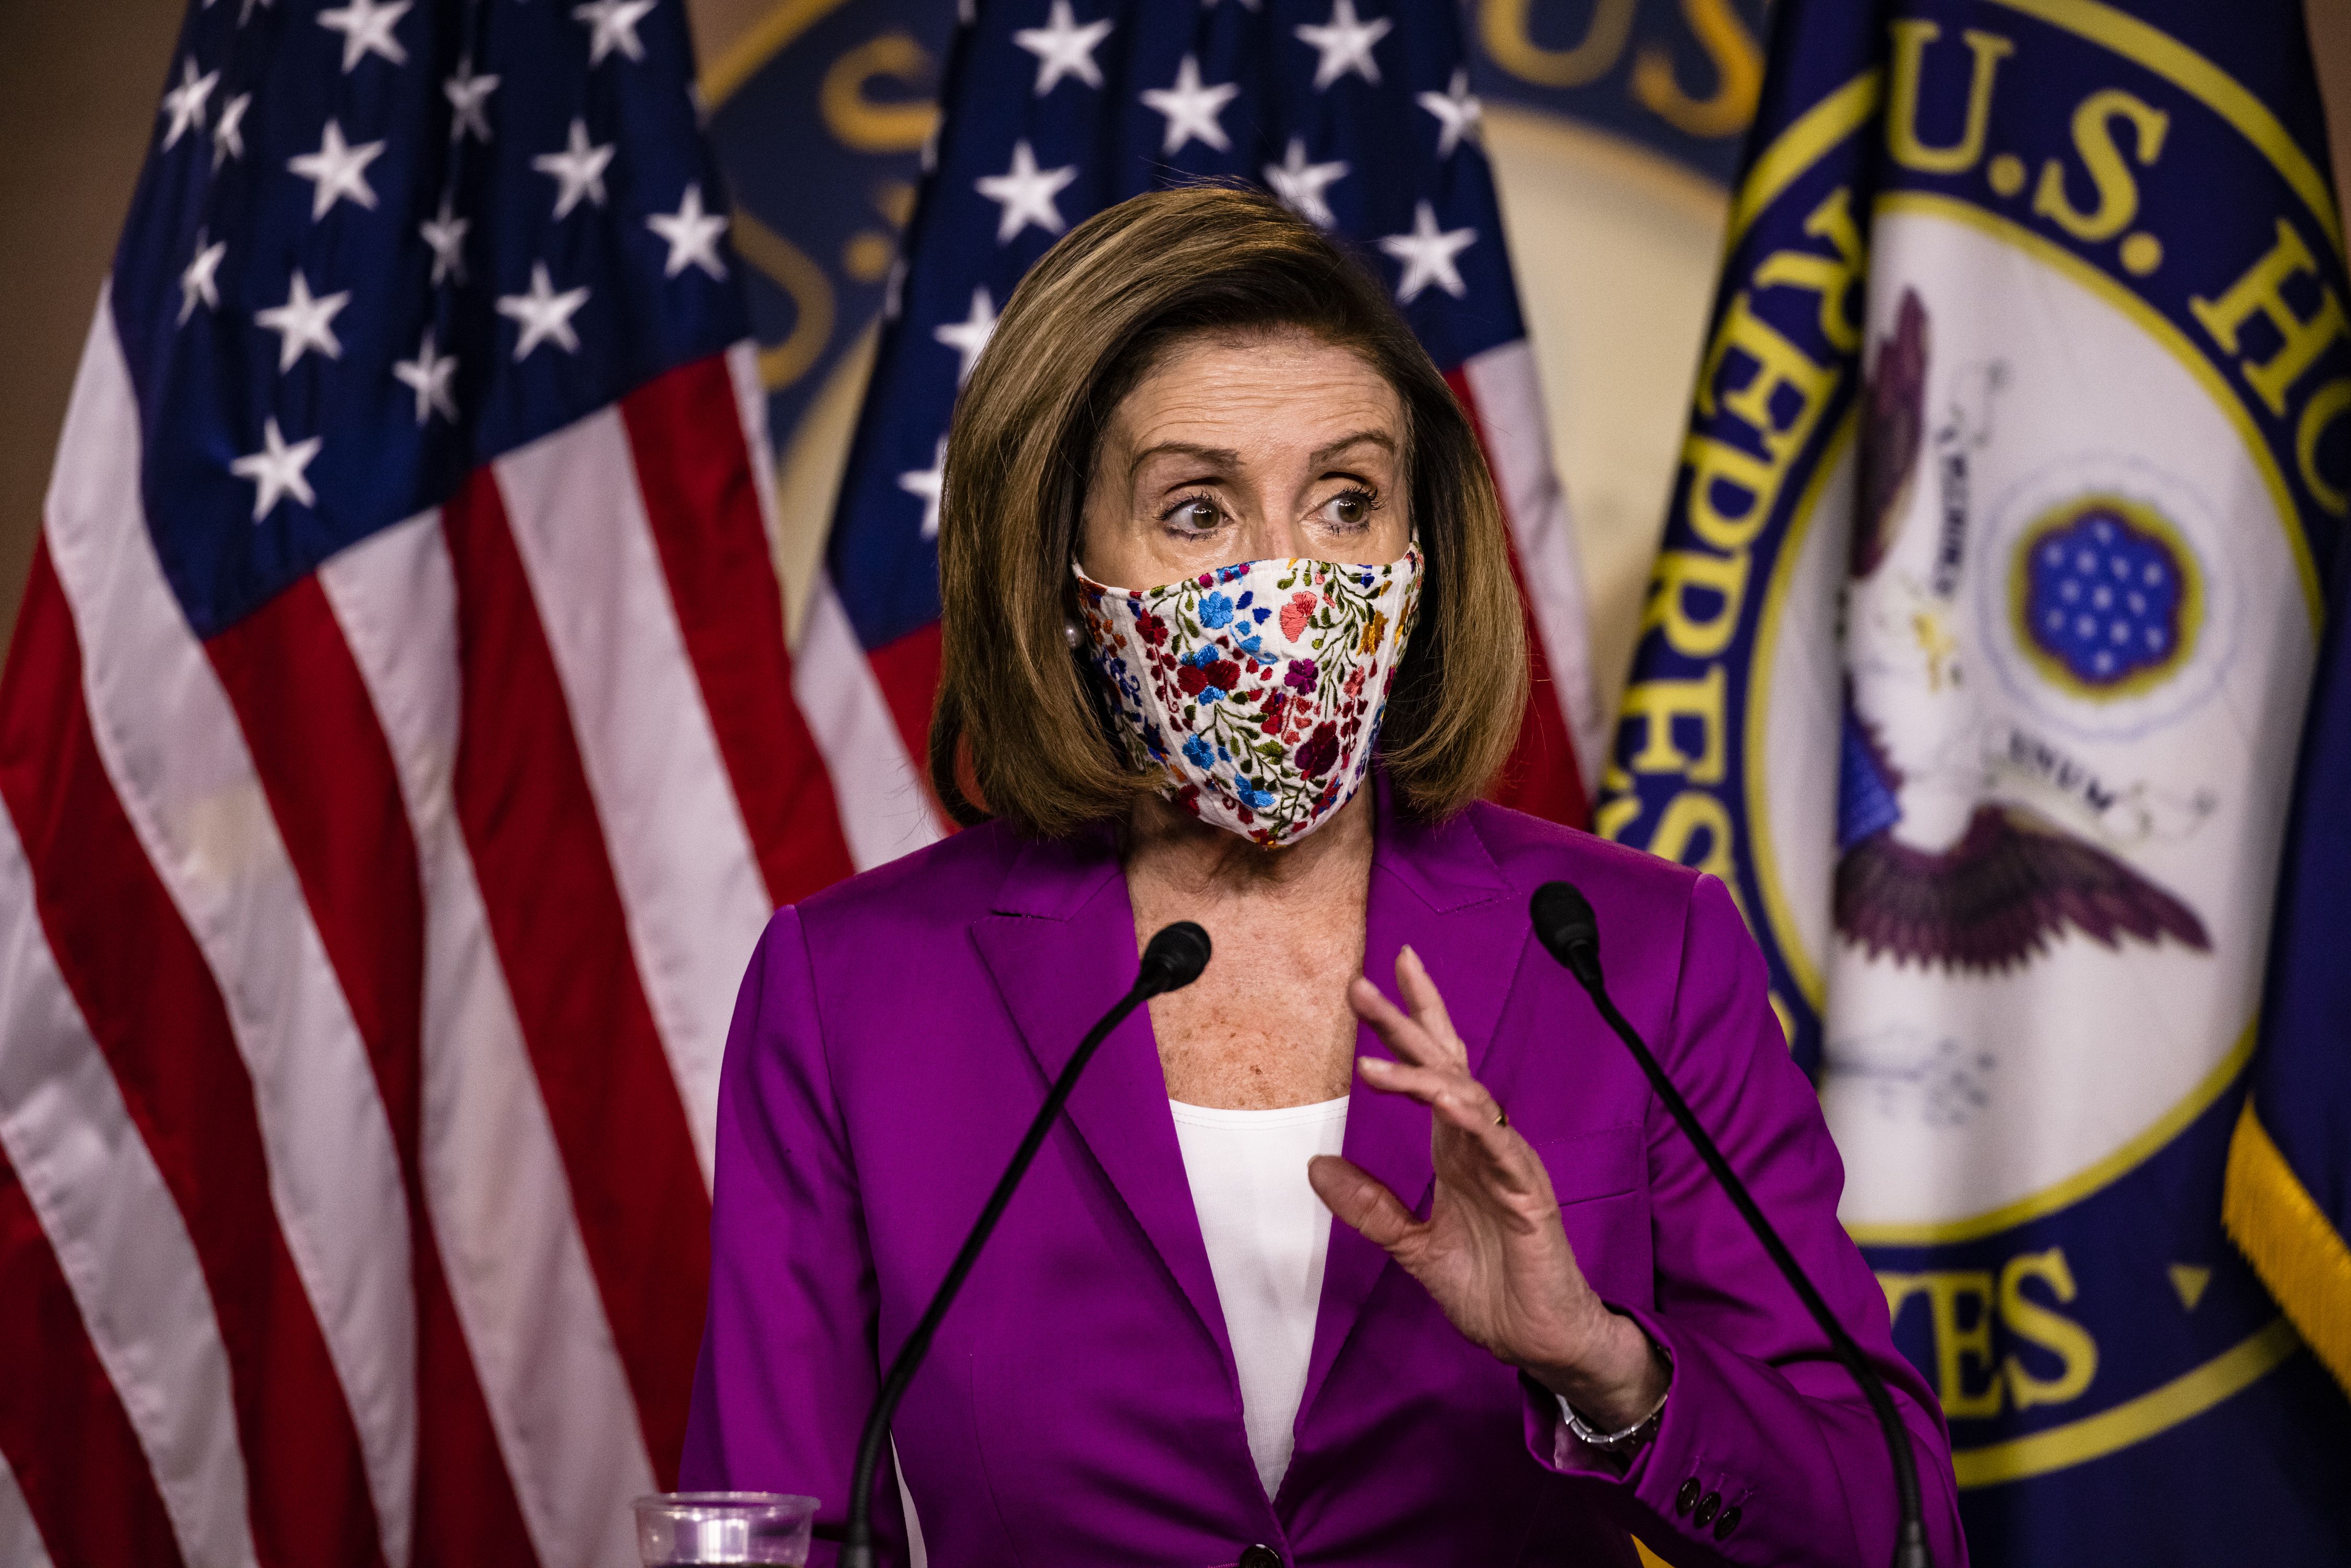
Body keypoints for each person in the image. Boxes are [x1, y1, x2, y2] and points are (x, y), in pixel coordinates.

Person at [680, 185, 1964, 1568]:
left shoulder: (1637, 950)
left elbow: (1893, 1530)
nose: (1286, 583)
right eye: (1196, 510)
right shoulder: (856, 989)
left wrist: (1603, 1367)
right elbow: (771, 1526)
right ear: (1058, 570)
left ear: (1419, 554)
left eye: (1345, 500)